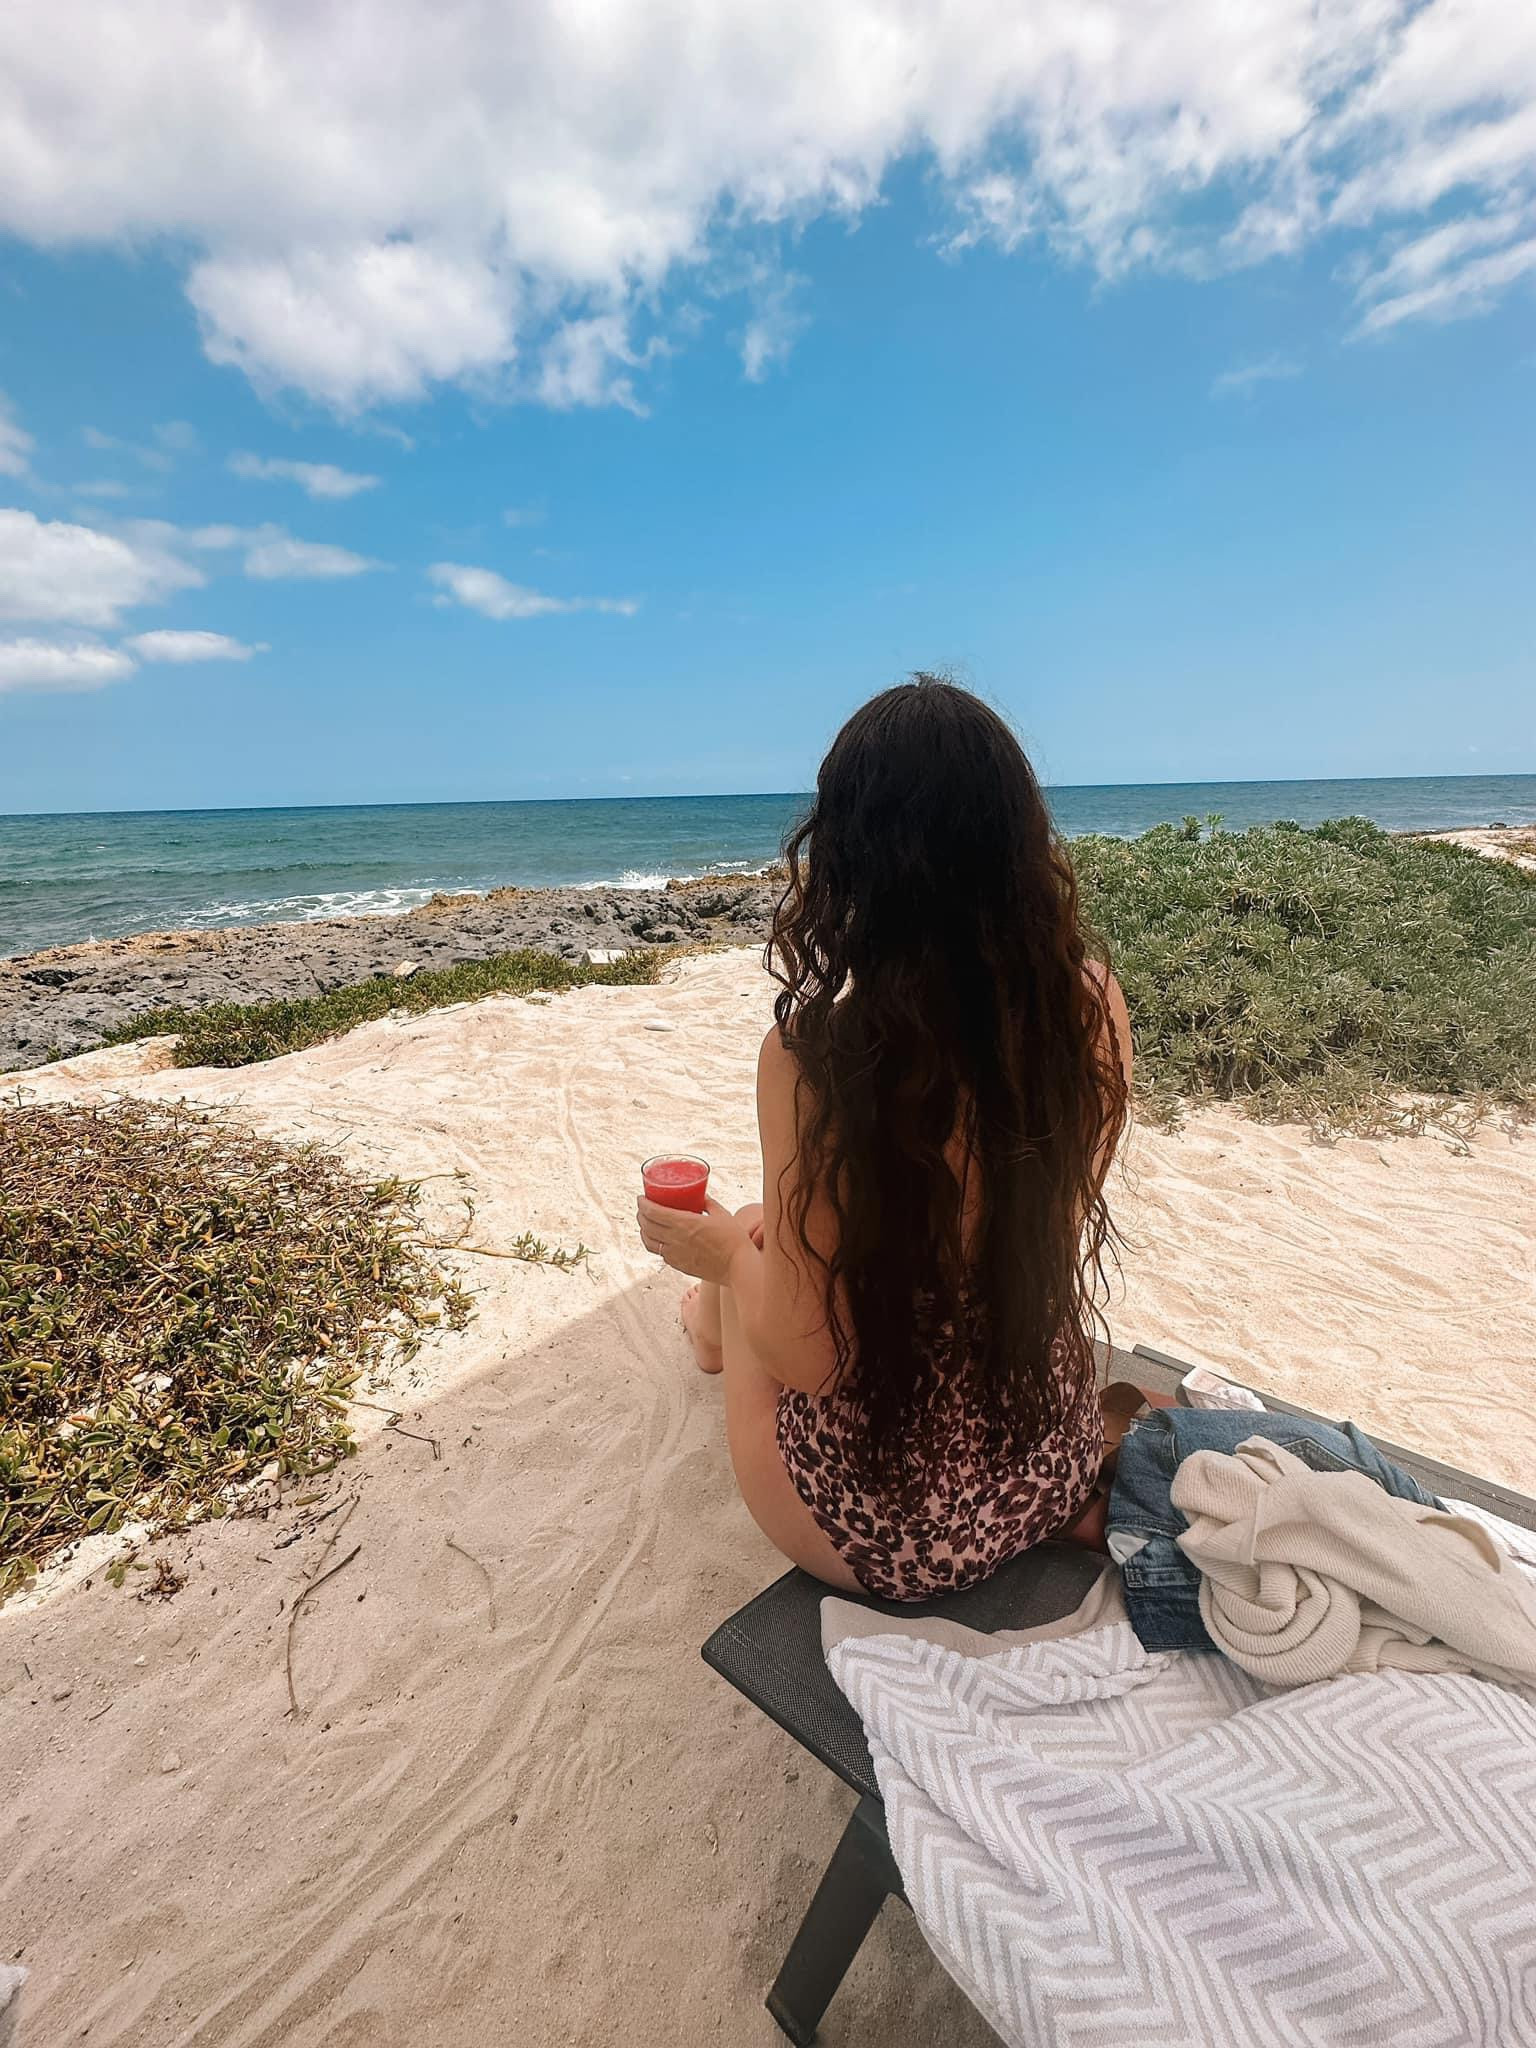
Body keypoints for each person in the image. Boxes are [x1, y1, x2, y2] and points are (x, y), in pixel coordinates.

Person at [635, 677, 1133, 1599]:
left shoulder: (815, 1059)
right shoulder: (1090, 1005)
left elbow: (813, 1356)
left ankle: (707, 1328)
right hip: (1045, 1459)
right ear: (1021, 846)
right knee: (762, 1236)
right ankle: (709, 1319)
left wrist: (717, 1256)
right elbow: (1048, 1214)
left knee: (744, 1238)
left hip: (891, 1538)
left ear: (849, 860)